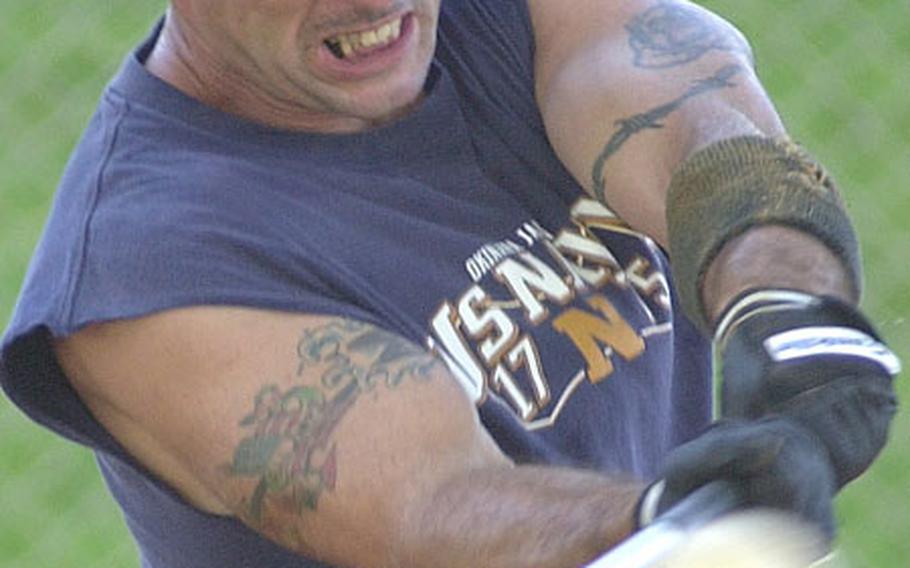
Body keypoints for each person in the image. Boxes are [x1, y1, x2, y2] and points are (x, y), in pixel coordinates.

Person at [0, 0, 899, 566]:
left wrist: (785, 307)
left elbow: (704, 141)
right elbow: (428, 505)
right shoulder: (141, 267)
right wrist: (679, 522)